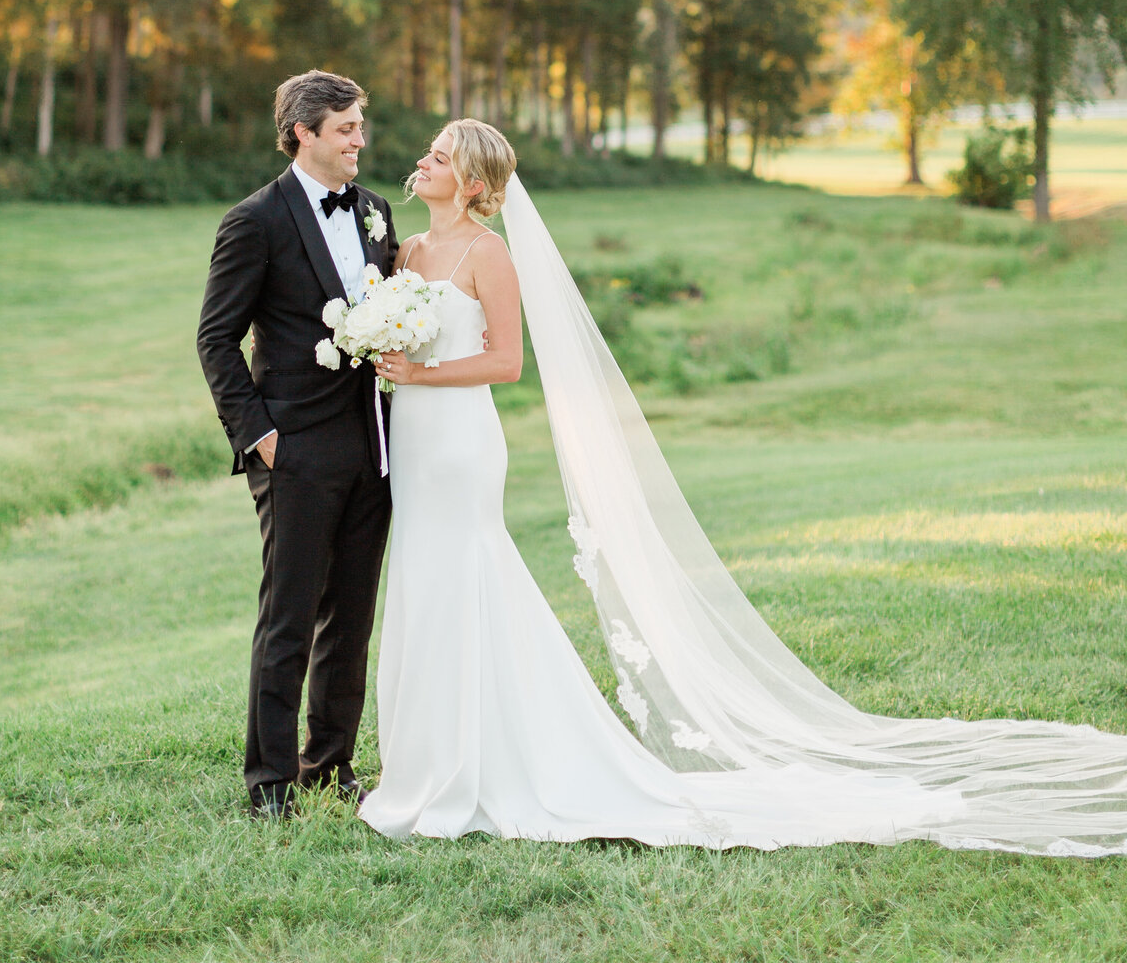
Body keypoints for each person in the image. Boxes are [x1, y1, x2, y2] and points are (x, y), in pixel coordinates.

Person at [361, 118, 1127, 855]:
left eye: (437, 156)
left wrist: (419, 371)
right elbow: (397, 334)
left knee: (468, 570)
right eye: (426, 154)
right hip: (416, 442)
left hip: (462, 445)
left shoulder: (489, 255)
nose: (420, 162)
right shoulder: (410, 251)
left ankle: (488, 761)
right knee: (423, 580)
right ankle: (427, 760)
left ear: (469, 181)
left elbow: (506, 365)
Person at [196, 70, 398, 818]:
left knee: (351, 614)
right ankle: (270, 782)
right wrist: (261, 437)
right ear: (302, 134)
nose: (359, 141)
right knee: (288, 616)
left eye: (359, 126)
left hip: (372, 442)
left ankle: (331, 762)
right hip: (294, 448)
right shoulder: (254, 220)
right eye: (346, 129)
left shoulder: (376, 212)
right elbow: (216, 339)